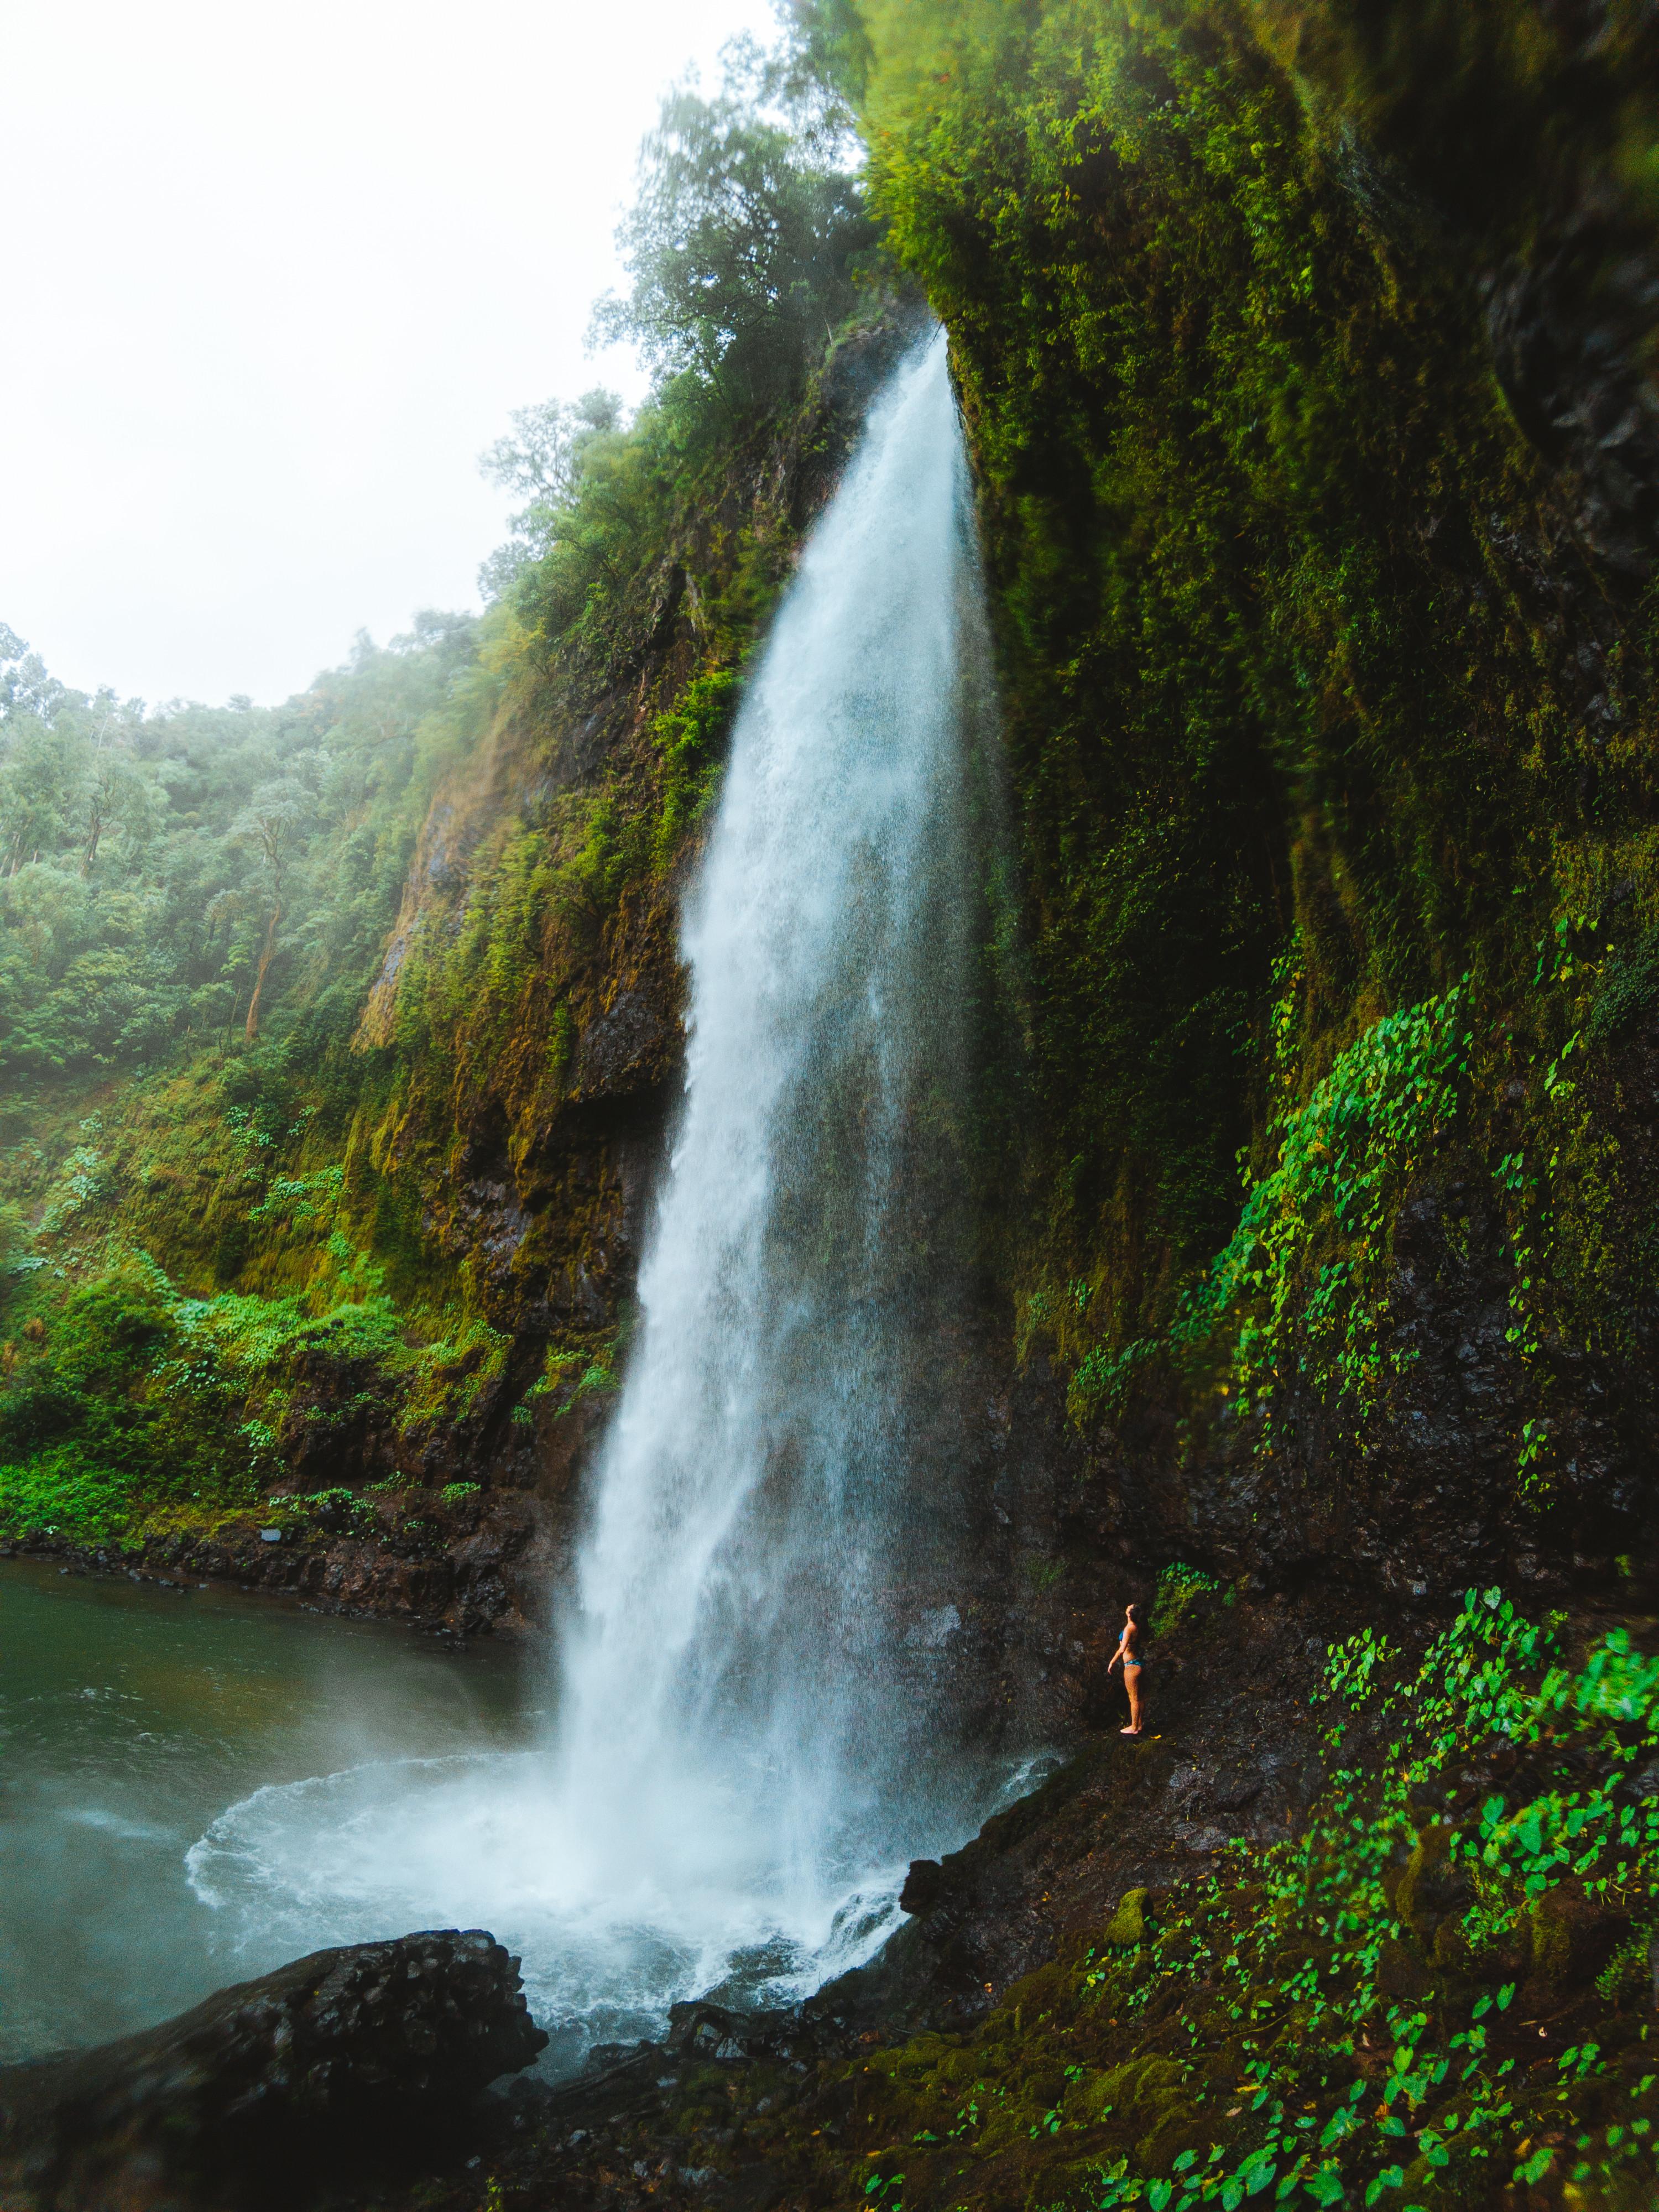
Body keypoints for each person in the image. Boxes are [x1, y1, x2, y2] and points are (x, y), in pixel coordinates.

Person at [1107, 1601, 1146, 1736]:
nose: (1128, 1605)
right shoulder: (1135, 1626)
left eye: (1130, 1607)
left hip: (1131, 1667)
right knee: (1140, 1696)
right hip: (1138, 1663)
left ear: (1130, 1613)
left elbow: (1122, 1649)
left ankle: (1134, 1727)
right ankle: (1139, 1724)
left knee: (1133, 1698)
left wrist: (1112, 1662)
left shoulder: (1129, 1629)